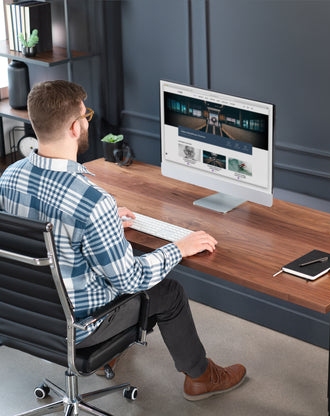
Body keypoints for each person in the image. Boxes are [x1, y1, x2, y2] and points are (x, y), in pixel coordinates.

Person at [0, 80, 246, 401]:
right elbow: (131, 279)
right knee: (168, 293)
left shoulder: (10, 177)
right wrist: (178, 248)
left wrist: (103, 224)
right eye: (85, 116)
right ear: (75, 127)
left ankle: (109, 360)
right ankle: (200, 377)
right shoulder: (92, 202)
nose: (88, 120)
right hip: (82, 327)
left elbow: (46, 234)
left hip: (29, 313)